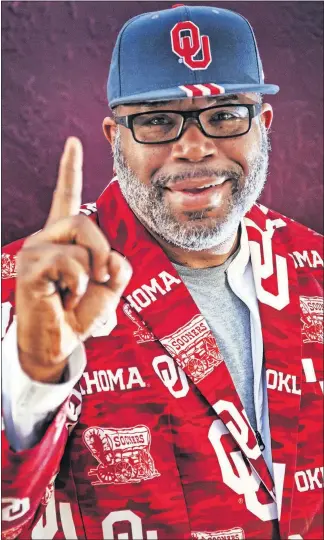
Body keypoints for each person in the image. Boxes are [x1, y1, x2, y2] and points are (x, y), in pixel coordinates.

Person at [1, 4, 323, 540]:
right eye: (156, 119)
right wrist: (32, 373)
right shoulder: (26, 285)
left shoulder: (315, 267)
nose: (194, 146)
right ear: (114, 138)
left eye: (224, 115)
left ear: (263, 126)